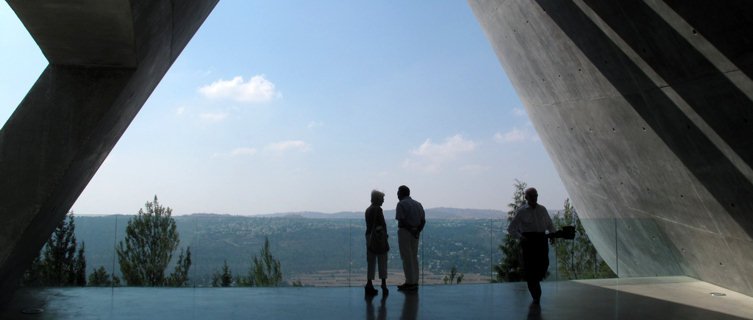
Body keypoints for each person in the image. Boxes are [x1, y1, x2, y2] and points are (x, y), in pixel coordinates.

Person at [507, 187, 555, 305]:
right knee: (530, 268)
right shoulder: (522, 211)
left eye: (536, 195)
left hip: (541, 239)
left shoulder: (542, 209)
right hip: (528, 241)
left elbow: (549, 224)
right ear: (526, 198)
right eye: (532, 196)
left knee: (544, 263)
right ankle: (536, 295)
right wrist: (520, 237)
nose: (535, 198)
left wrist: (552, 235)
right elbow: (511, 228)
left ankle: (535, 284)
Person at [395, 185, 425, 292]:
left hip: (405, 232)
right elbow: (423, 221)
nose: (397, 194)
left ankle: (409, 283)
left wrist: (410, 229)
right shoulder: (418, 204)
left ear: (402, 193)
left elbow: (401, 220)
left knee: (406, 257)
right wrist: (417, 231)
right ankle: (415, 281)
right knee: (414, 257)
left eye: (398, 192)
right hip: (416, 234)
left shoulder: (401, 204)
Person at [365, 190, 389, 296]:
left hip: (369, 236)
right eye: (382, 198)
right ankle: (383, 283)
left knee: (371, 260)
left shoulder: (368, 210)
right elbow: (382, 224)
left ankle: (369, 283)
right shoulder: (378, 210)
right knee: (382, 259)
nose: (383, 201)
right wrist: (385, 235)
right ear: (378, 199)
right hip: (378, 237)